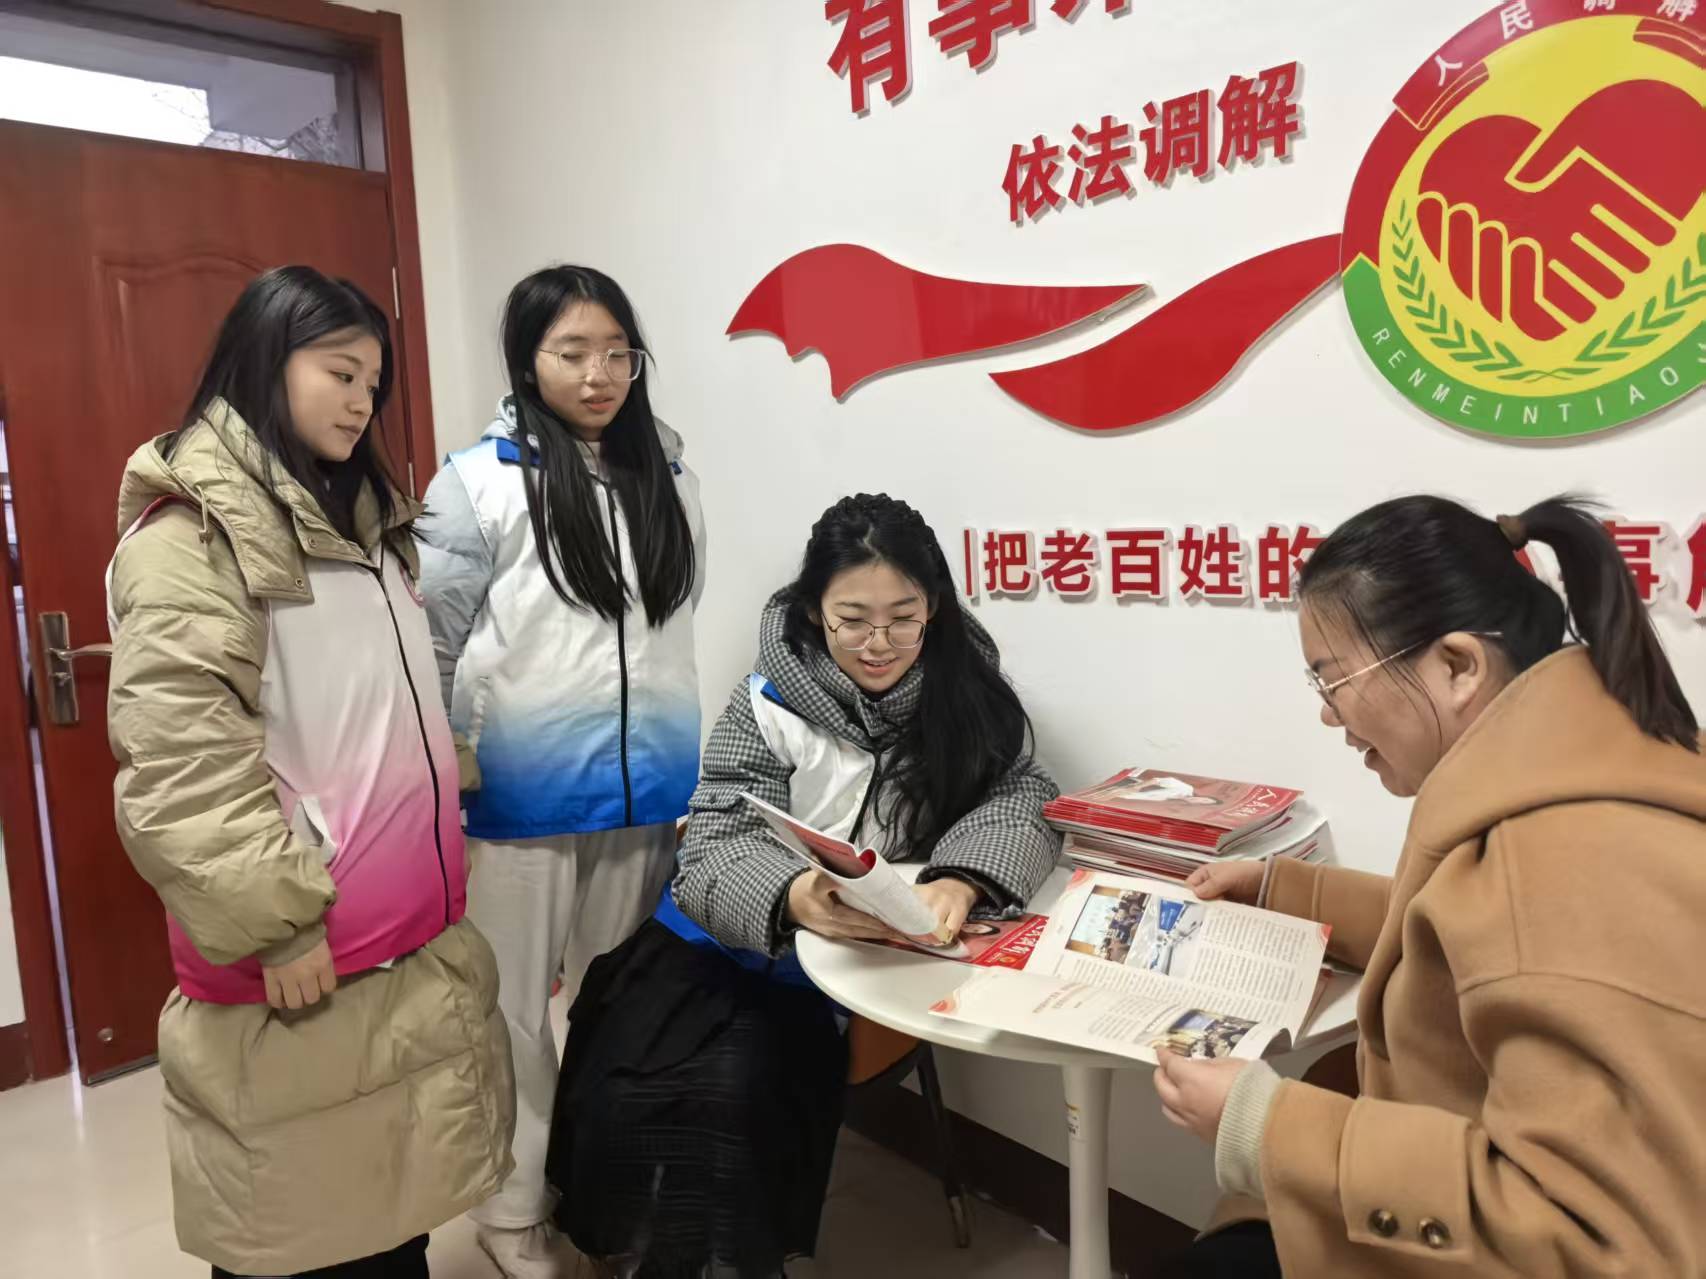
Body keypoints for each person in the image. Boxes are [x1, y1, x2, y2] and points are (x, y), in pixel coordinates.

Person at [1151, 495, 1706, 1278]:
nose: (1328, 716)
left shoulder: (1549, 863)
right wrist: (1285, 891)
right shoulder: (1576, 766)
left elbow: (1591, 1242)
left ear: (1457, 666)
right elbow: (1468, 939)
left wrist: (1264, 1123)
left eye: (1334, 680)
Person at [106, 266, 515, 1279]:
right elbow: (180, 761)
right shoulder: (191, 538)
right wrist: (275, 920)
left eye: (373, 381)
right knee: (302, 1232)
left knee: (388, 1215)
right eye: (339, 372)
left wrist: (447, 774)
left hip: (397, 948)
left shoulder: (365, 522)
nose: (361, 400)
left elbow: (371, 695)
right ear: (264, 361)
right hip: (300, 950)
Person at [545, 493, 1062, 1277]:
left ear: (935, 609)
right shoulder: (770, 699)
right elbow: (714, 833)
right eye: (853, 619)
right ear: (816, 609)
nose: (879, 644)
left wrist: (962, 879)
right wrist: (792, 895)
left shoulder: (967, 694)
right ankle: (634, 1252)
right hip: (725, 937)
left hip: (849, 967)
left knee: (734, 1090)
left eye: (904, 618)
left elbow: (1024, 795)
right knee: (629, 1079)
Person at [417, 265, 704, 1278]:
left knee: (622, 1009)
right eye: (572, 352)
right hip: (518, 793)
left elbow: (668, 627)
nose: (598, 374)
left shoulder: (669, 473)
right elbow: (430, 641)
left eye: (617, 353)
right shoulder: (476, 483)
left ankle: (607, 1201)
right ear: (526, 359)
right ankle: (510, 1210)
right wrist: (448, 754)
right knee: (509, 1016)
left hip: (649, 788)